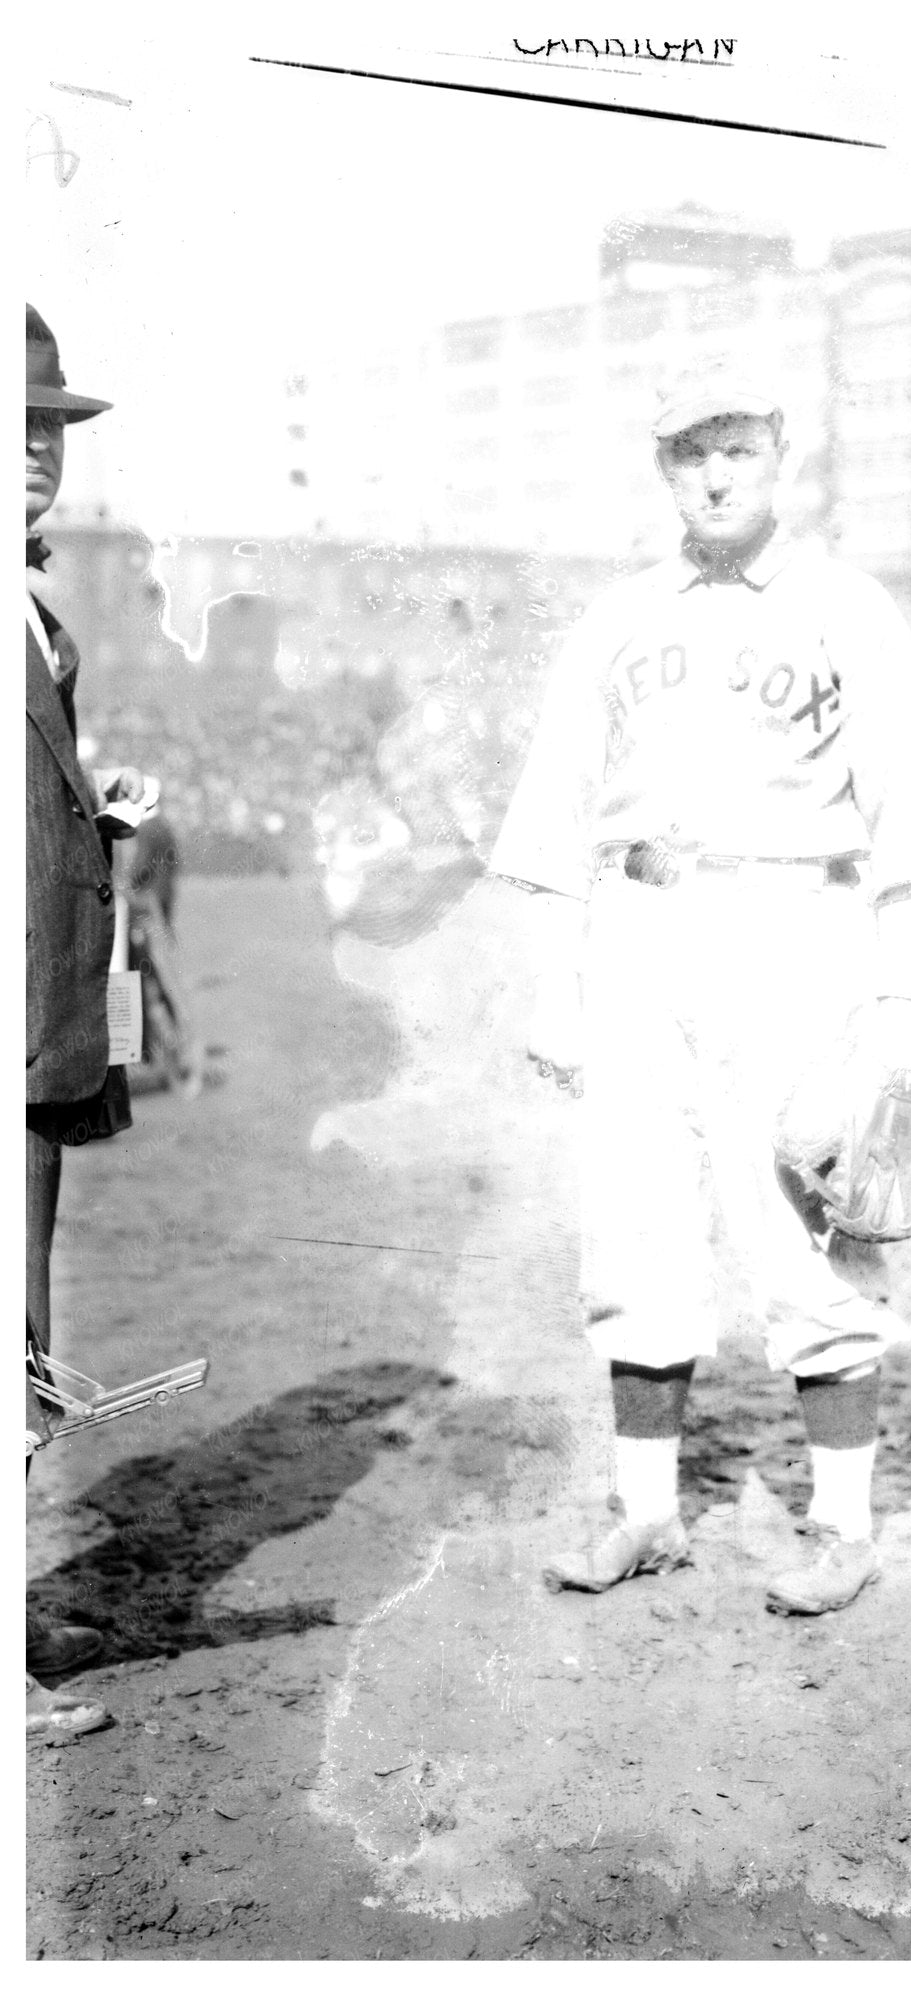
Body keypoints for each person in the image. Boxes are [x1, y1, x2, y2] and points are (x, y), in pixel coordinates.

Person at [490, 363, 911, 1616]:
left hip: (793, 925)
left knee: (807, 1220)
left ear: (779, 453)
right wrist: (556, 987)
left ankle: (843, 1526)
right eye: (690, 451)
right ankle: (647, 1512)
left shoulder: (848, 606)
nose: (714, 473)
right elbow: (554, 813)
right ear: (663, 468)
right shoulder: (619, 616)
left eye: (737, 447)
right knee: (632, 1218)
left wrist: (900, 1006)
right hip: (641, 925)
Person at [26, 305, 144, 1737]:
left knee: (25, 1340)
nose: (36, 450)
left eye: (49, 425)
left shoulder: (37, 613)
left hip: (43, 1023)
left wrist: (87, 806)